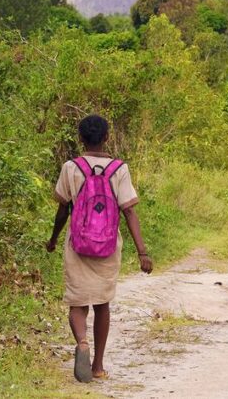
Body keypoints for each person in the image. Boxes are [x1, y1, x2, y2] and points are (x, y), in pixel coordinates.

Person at [46, 114, 153, 383]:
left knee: (77, 302)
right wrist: (142, 252)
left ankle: (82, 342)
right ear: (107, 137)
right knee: (102, 303)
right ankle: (98, 366)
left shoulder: (71, 167)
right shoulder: (119, 169)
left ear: (80, 138)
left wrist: (54, 239)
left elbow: (62, 210)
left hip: (78, 244)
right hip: (107, 246)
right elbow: (129, 212)